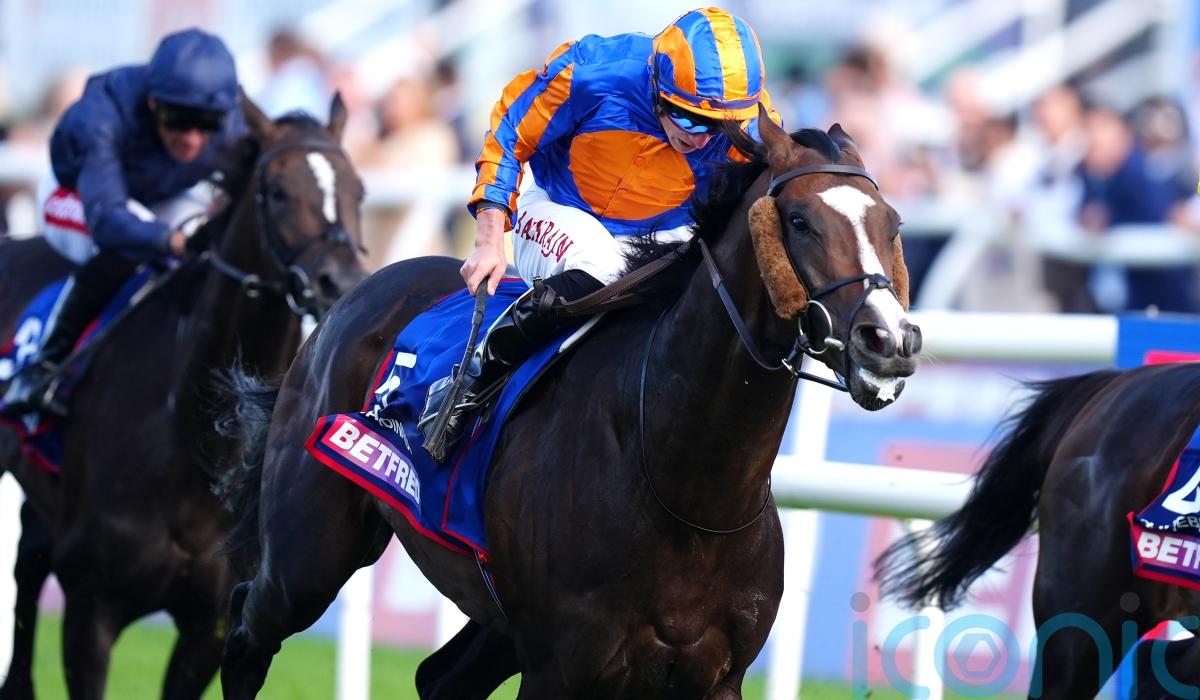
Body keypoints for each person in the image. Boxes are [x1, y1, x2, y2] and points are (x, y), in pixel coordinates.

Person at [419, 7, 780, 455]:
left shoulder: (752, 126)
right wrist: (490, 240)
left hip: (664, 233)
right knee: (604, 268)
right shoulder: (591, 72)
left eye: (720, 126)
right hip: (558, 206)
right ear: (657, 86)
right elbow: (511, 129)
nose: (703, 139)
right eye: (689, 119)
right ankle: (471, 379)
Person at [3, 28, 246, 415]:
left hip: (159, 195)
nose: (192, 139)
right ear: (152, 102)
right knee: (132, 247)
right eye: (179, 120)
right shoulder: (99, 118)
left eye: (207, 124)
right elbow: (107, 218)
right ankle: (44, 366)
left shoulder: (235, 124)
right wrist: (173, 242)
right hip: (76, 195)